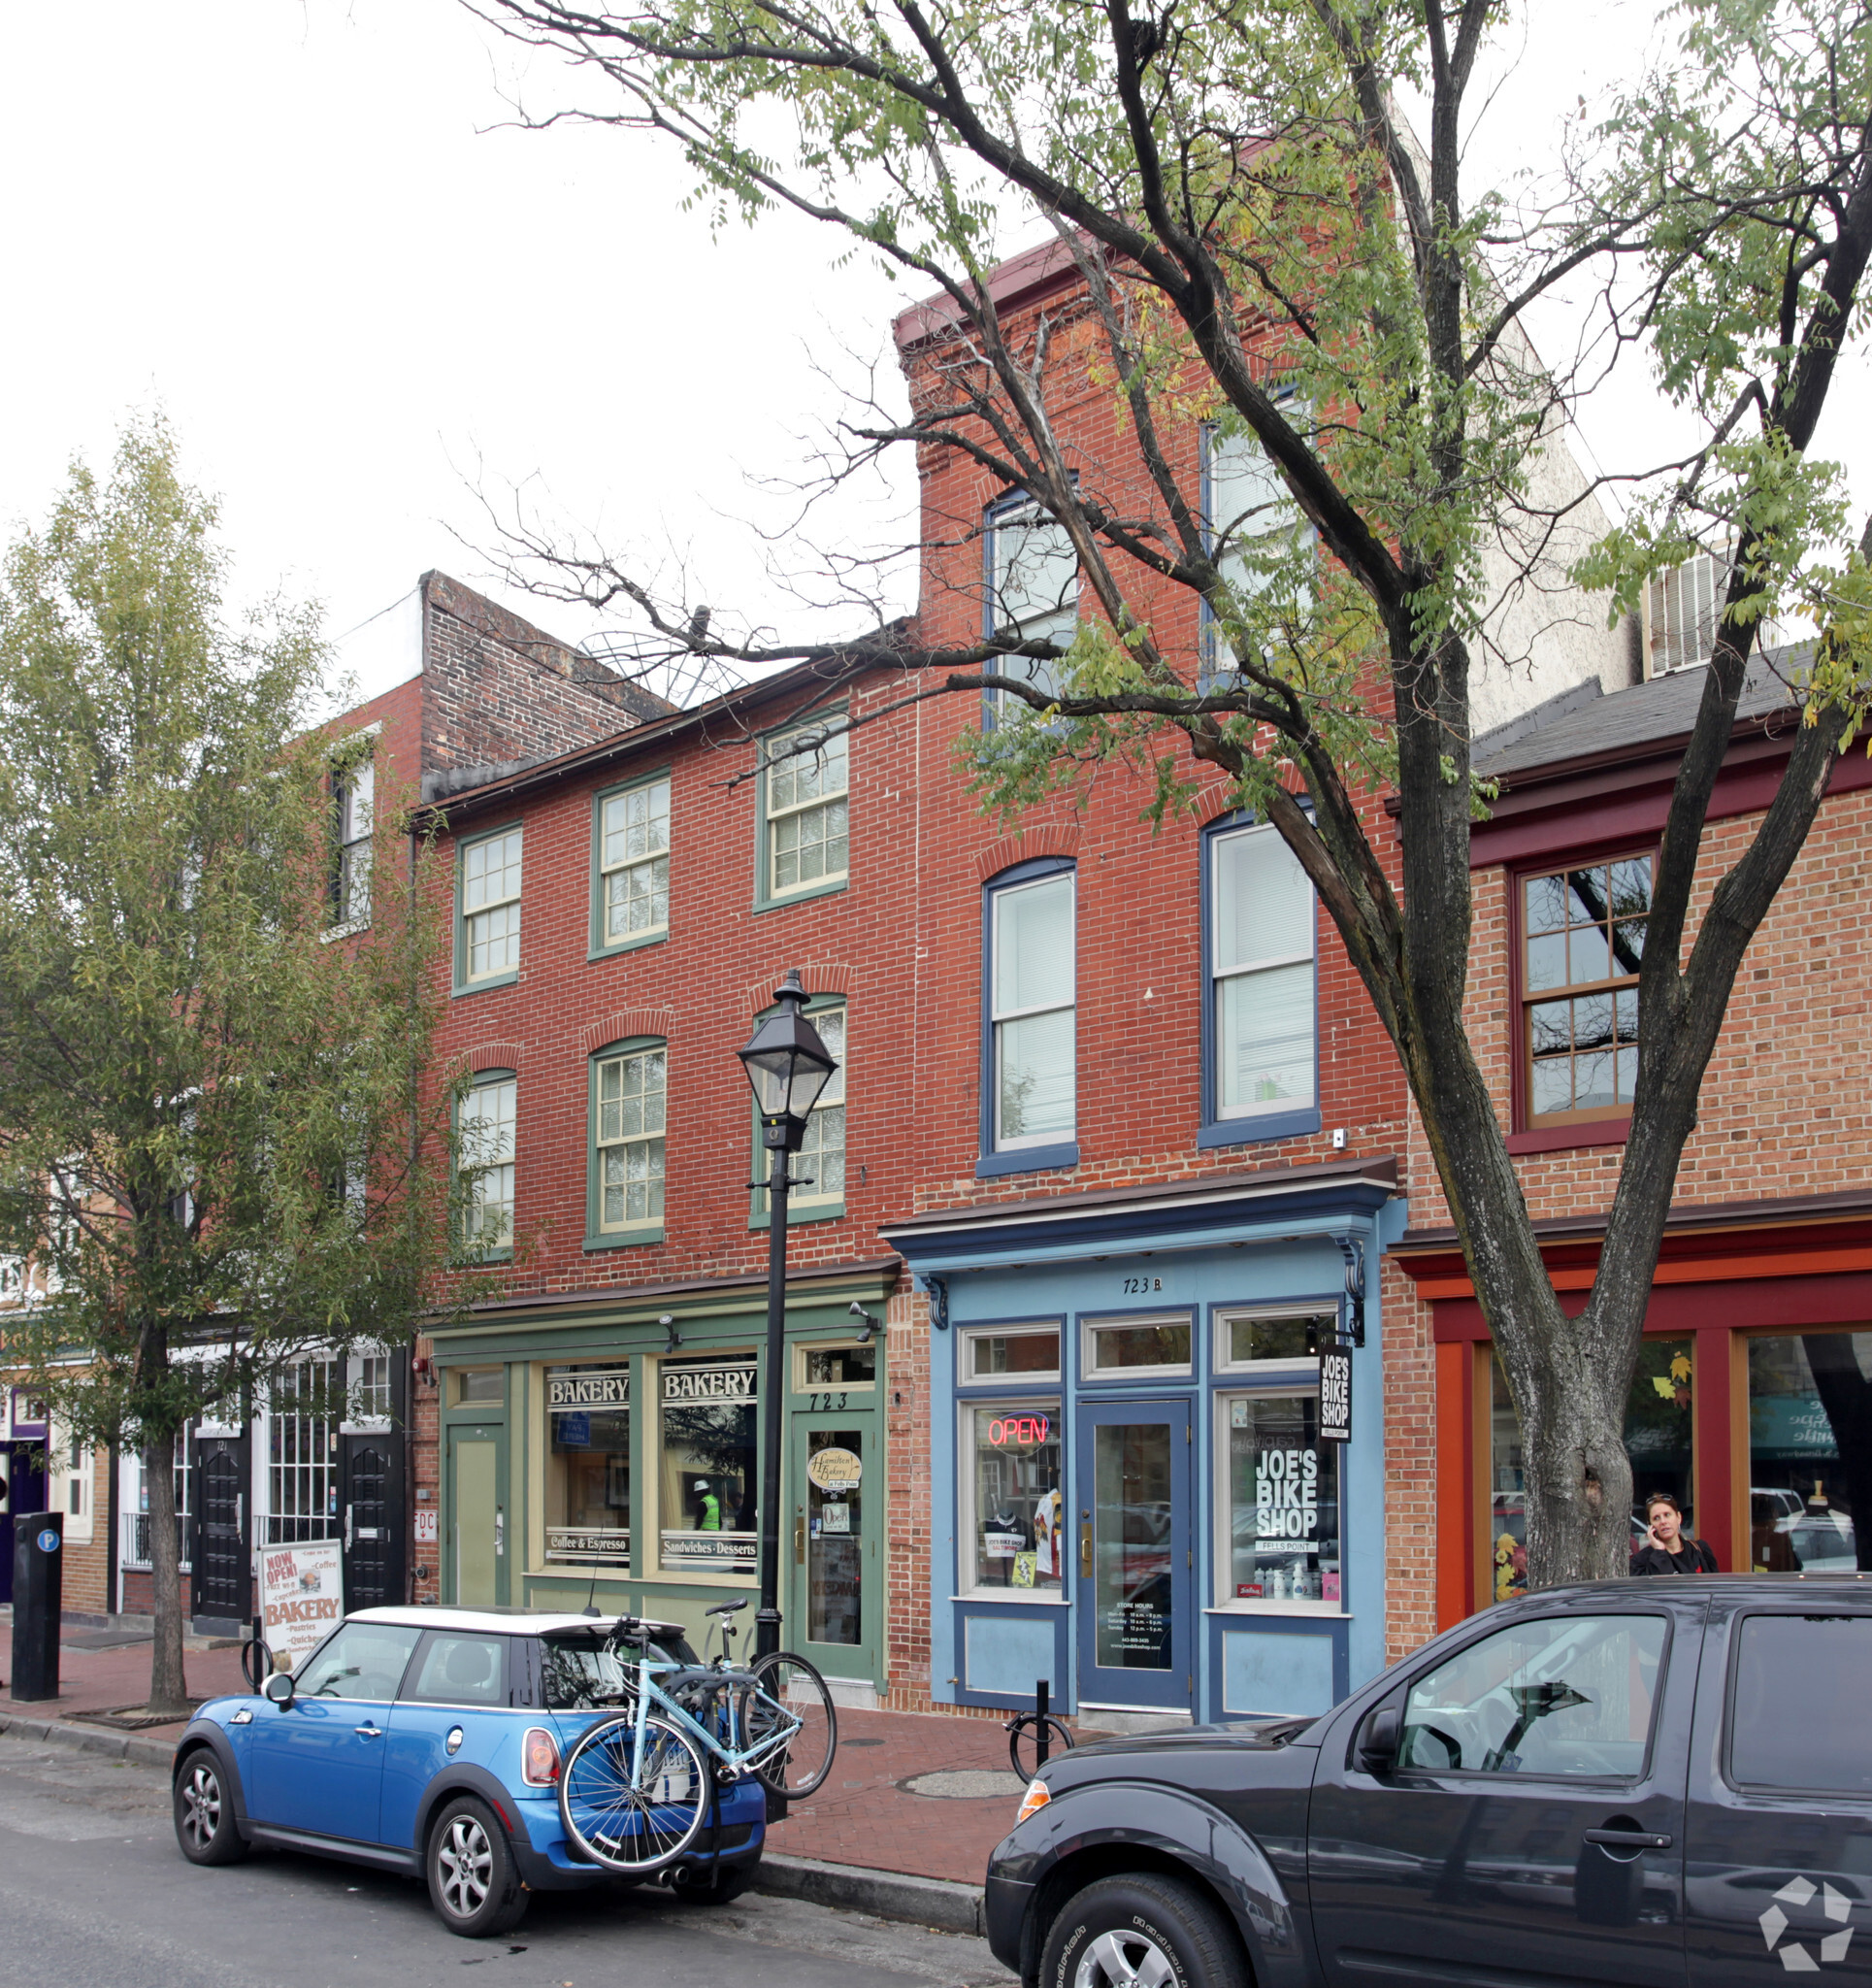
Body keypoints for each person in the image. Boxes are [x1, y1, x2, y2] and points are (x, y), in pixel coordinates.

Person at [1629, 1491, 1719, 1574]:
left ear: (1678, 1517)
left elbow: (1715, 1586)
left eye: (1667, 1515)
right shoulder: (1641, 1561)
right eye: (1656, 1518)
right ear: (1650, 1526)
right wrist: (1659, 1552)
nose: (1663, 1521)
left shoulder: (1700, 1549)